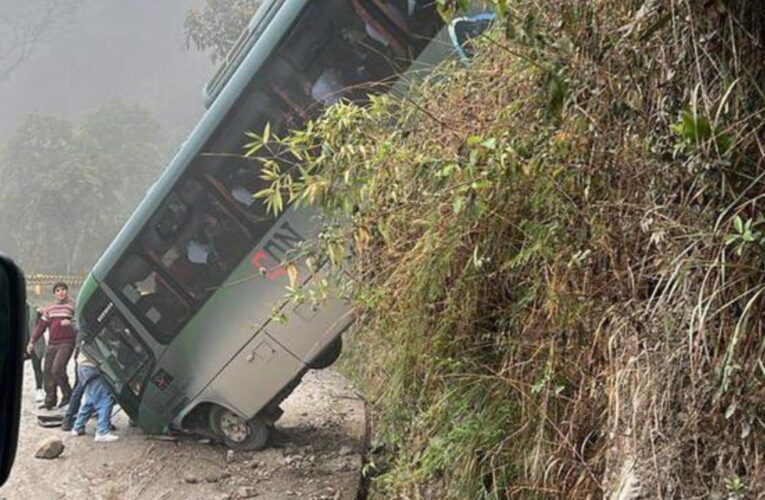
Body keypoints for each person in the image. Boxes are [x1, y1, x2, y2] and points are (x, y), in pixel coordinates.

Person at [27, 282, 76, 410]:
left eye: (63, 289)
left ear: (67, 291)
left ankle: (67, 397)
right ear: (54, 293)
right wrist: (32, 341)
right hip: (52, 343)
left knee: (57, 369)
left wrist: (70, 322)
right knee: (47, 372)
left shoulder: (72, 306)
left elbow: (80, 322)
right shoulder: (49, 309)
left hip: (67, 342)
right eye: (58, 290)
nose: (61, 292)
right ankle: (50, 401)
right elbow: (41, 326)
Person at [70, 351, 119, 442]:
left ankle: (78, 427)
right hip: (92, 366)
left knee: (90, 400)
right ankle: (102, 432)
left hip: (82, 366)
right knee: (105, 400)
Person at [24, 303, 46, 404]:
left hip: (35, 343)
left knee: (37, 367)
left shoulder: (34, 310)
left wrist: (40, 312)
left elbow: (44, 322)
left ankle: (39, 389)